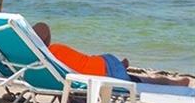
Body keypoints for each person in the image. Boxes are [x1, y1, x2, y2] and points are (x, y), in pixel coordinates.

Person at [33, 22, 190, 87]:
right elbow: (43, 28)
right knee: (143, 80)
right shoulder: (50, 55)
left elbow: (41, 29)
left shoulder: (34, 65)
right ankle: (174, 83)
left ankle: (121, 66)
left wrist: (36, 47)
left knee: (135, 77)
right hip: (104, 70)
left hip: (100, 66)